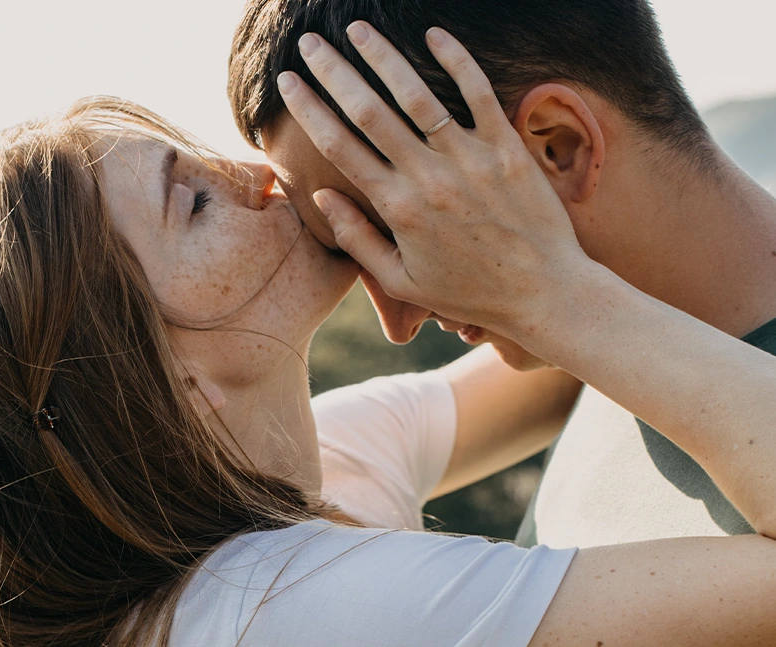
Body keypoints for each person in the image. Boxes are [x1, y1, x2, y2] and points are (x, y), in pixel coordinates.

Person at [0, 91, 776, 647]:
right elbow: (581, 329)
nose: (257, 177)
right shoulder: (279, 610)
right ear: (150, 381)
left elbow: (566, 363)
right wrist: (552, 294)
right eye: (192, 201)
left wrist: (494, 261)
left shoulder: (280, 488)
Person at [227, 0, 776, 547]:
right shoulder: (587, 354)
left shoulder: (580, 322)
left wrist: (554, 302)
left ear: (561, 146)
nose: (398, 323)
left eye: (403, 230)